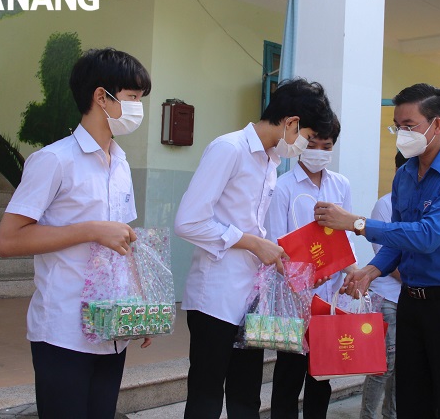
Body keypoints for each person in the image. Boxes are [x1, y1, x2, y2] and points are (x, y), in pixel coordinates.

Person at [0, 48, 153, 419]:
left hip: (112, 327)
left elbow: (124, 240)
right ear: (102, 97)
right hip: (63, 330)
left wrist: (140, 304)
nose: (137, 108)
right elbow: (8, 239)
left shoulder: (121, 162)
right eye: (132, 98)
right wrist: (91, 230)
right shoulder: (53, 160)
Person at [313, 83, 440, 419]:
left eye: (410, 126)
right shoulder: (405, 174)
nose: (402, 134)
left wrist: (356, 223)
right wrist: (371, 270)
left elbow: (427, 236)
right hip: (411, 304)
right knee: (410, 399)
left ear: (436, 125)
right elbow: (398, 239)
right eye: (398, 126)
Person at [174, 78, 335, 419]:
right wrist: (252, 243)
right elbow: (188, 222)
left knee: (246, 396)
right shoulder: (229, 149)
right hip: (214, 298)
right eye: (307, 137)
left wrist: (279, 254)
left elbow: (252, 227)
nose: (305, 146)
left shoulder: (270, 161)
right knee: (205, 396)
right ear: (291, 122)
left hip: (252, 298)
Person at [265, 115, 356, 419]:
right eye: (312, 143)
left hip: (328, 298)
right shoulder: (283, 185)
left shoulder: (340, 184)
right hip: (293, 296)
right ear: (302, 143)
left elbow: (346, 238)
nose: (318, 150)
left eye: (326, 145)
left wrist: (349, 270)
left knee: (322, 374)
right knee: (289, 373)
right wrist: (304, 276)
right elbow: (275, 240)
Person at [359, 151, 407, 419]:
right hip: (388, 300)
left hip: (410, 301)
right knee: (381, 368)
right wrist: (418, 277)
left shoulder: (422, 205)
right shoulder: (385, 205)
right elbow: (388, 259)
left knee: (403, 369)